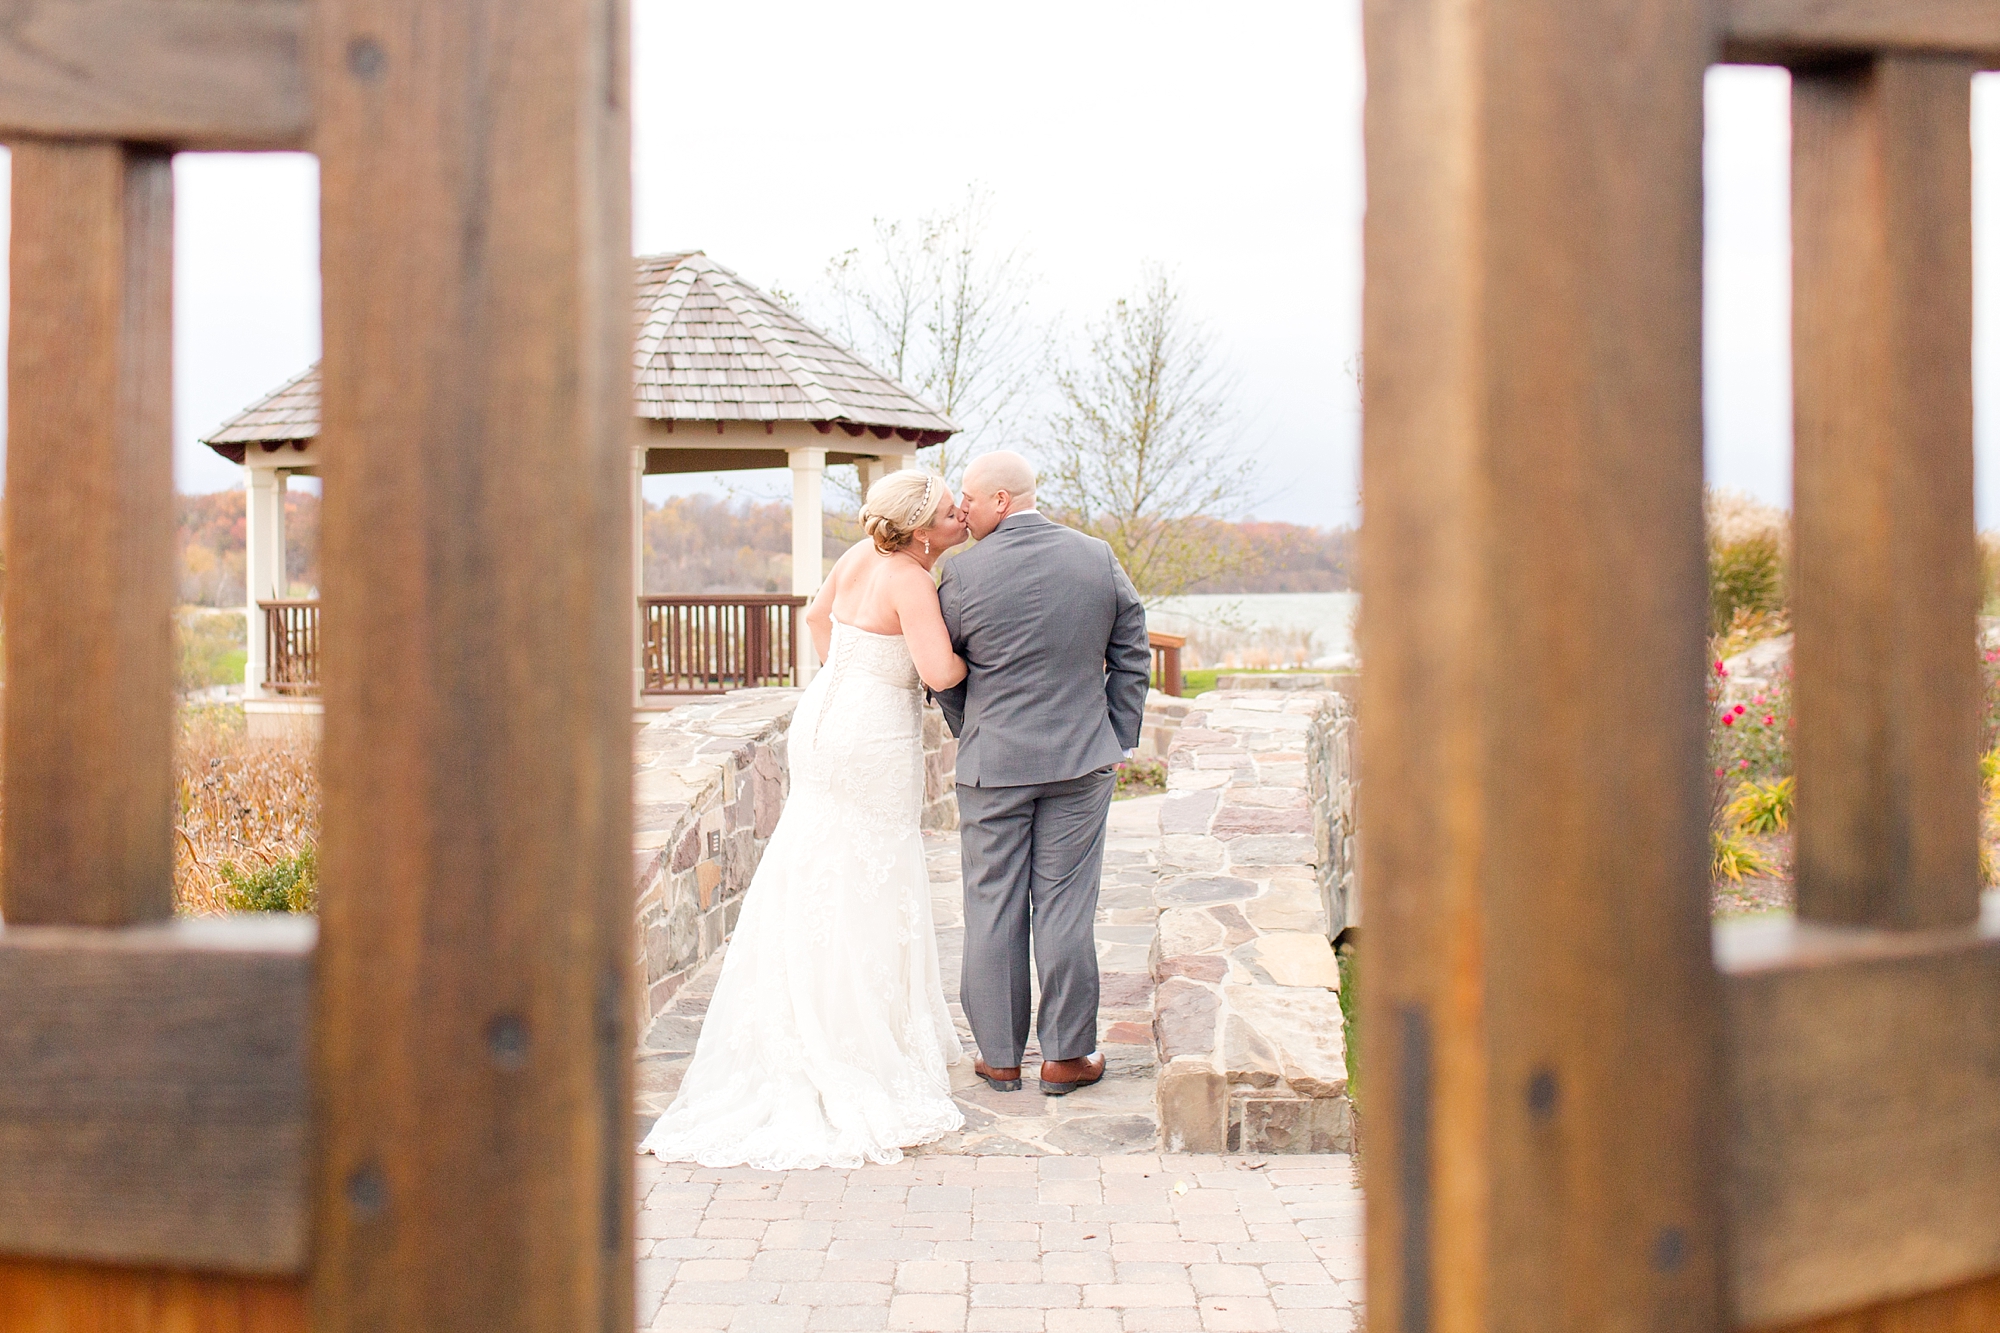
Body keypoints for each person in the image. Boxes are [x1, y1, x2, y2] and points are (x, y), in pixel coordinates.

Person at [640, 470, 971, 1169]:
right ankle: (856, 1035)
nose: (959, 517)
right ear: (918, 530)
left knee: (815, 861)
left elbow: (817, 620)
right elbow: (940, 672)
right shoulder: (910, 577)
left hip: (824, 714)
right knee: (870, 872)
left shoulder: (857, 558)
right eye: (948, 512)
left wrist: (850, 672)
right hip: (872, 732)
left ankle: (804, 1012)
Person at [933, 452, 1151, 1096]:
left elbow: (941, 669)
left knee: (991, 903)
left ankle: (999, 1057)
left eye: (969, 500)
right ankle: (1065, 1056)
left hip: (993, 765)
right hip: (1081, 760)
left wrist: (975, 729)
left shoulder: (961, 575)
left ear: (1002, 500)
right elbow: (1132, 653)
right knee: (1065, 904)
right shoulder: (1096, 557)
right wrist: (1116, 735)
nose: (962, 511)